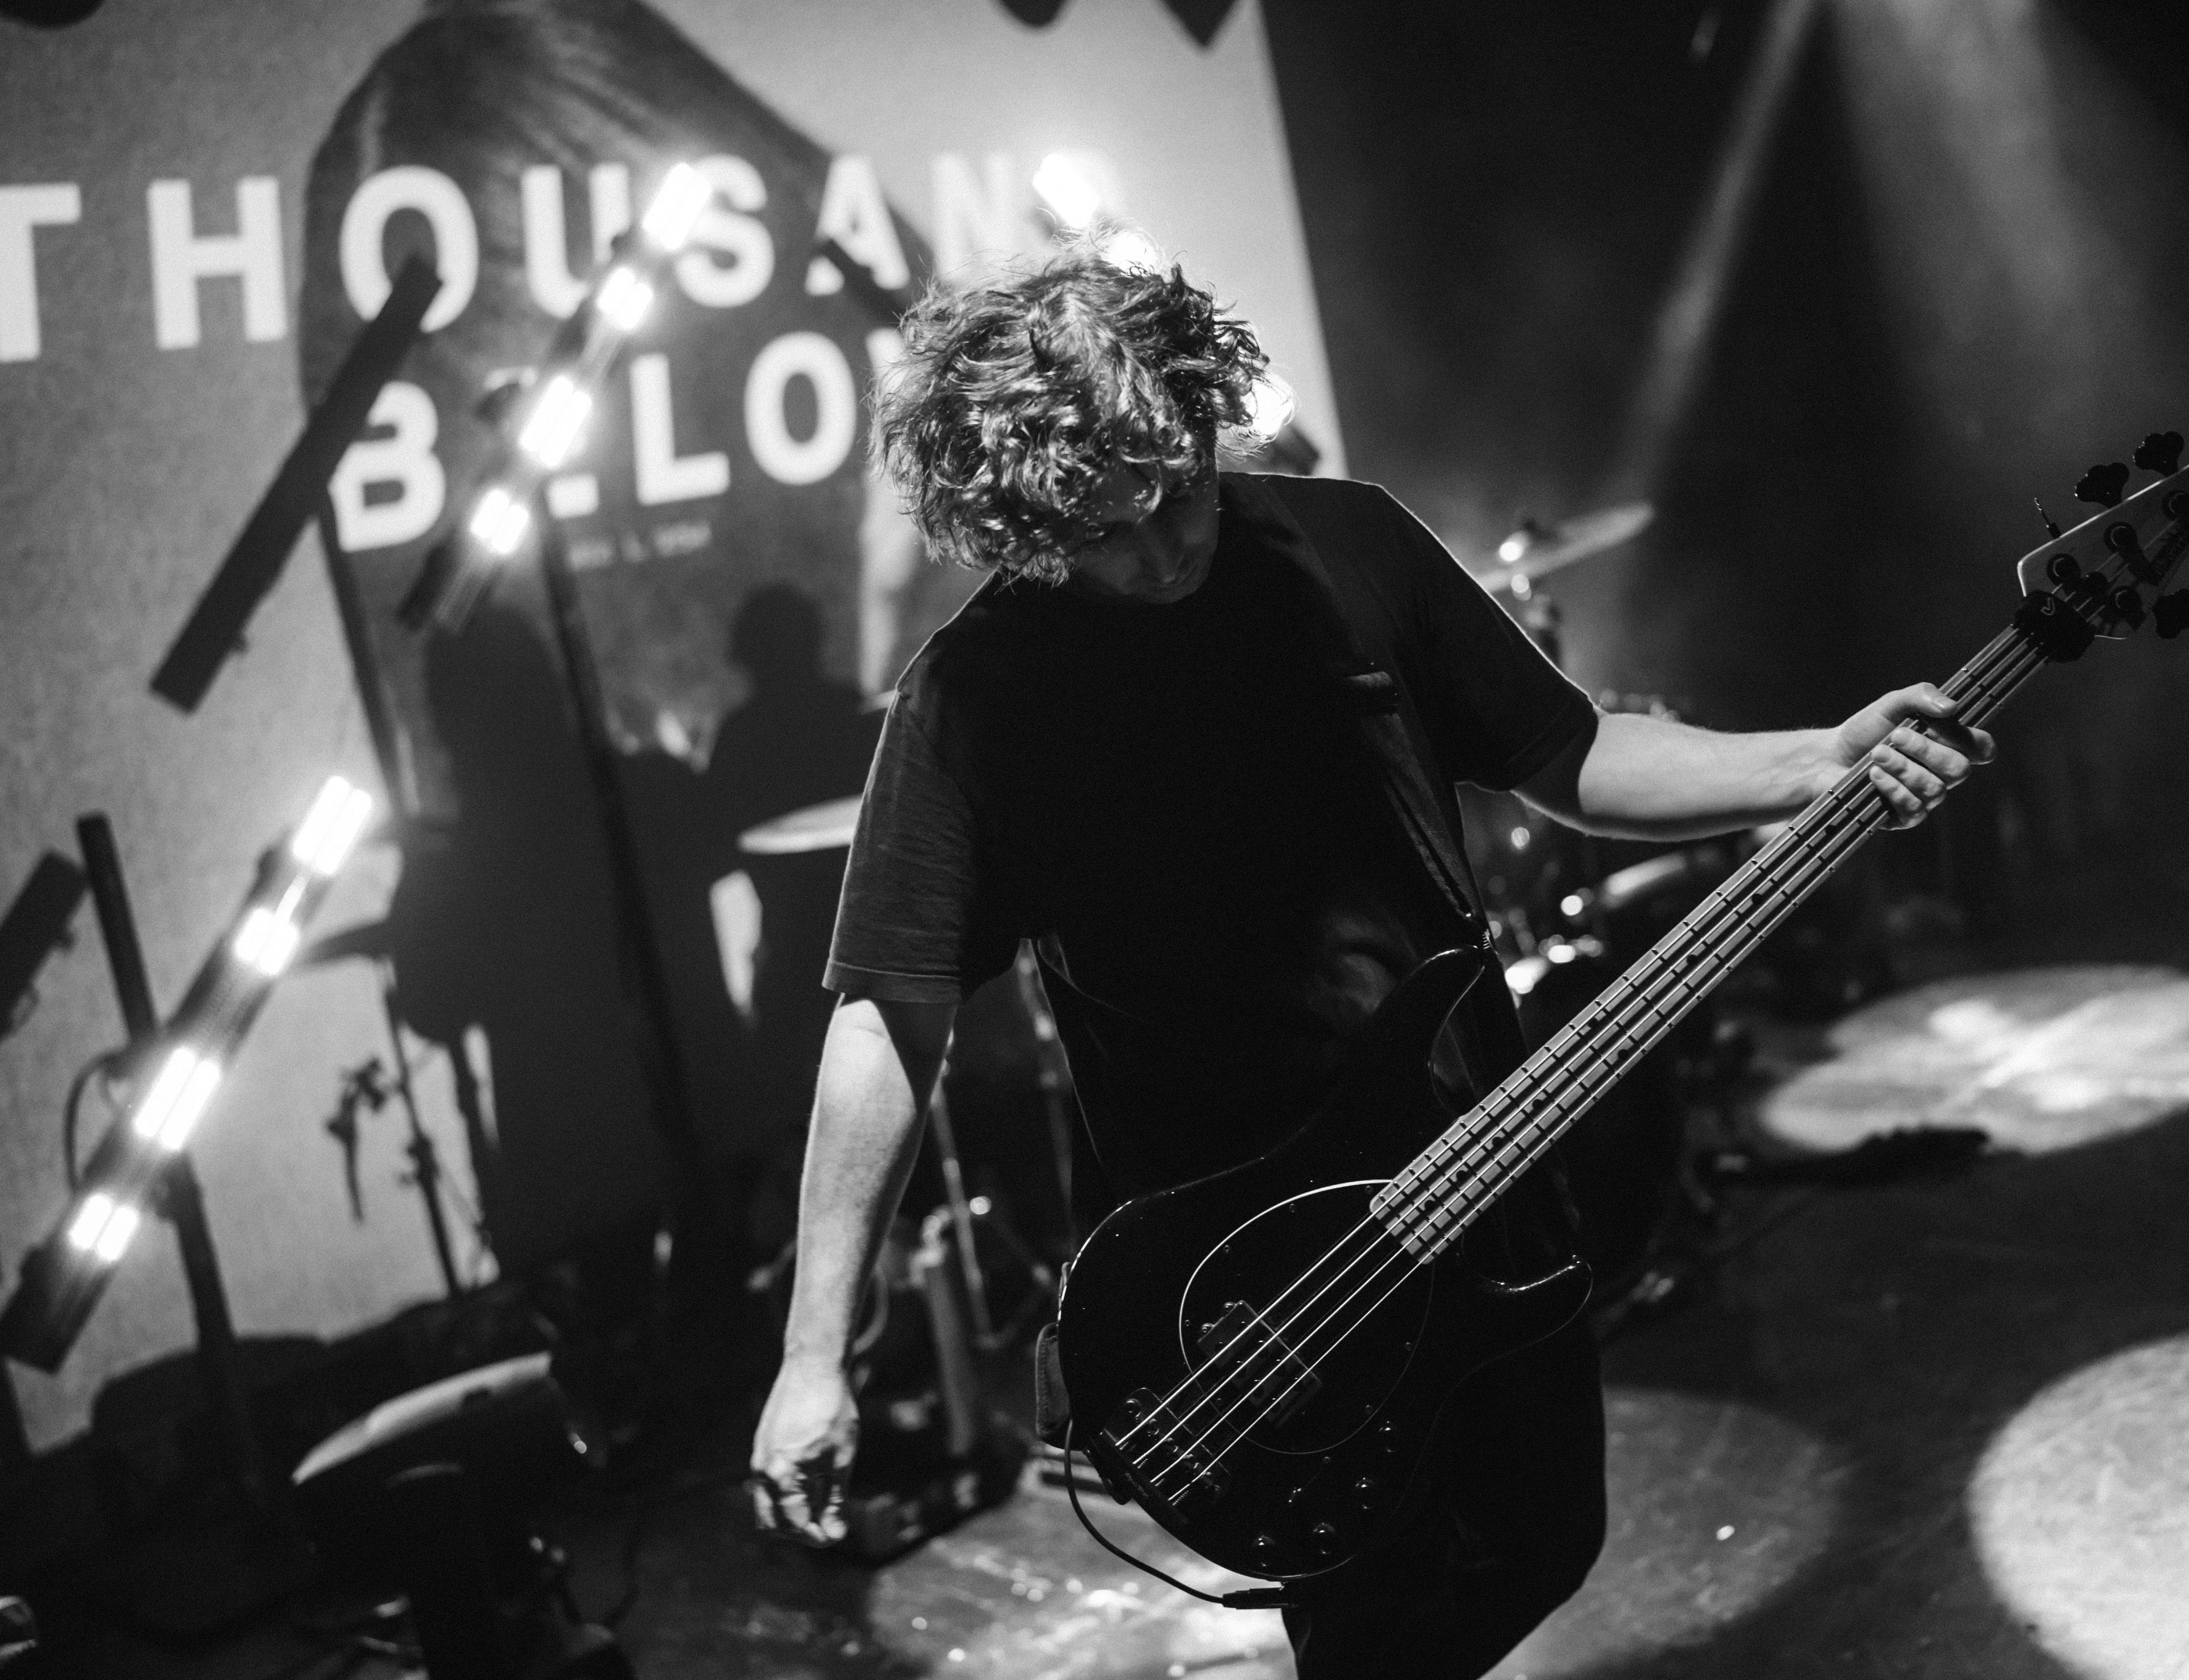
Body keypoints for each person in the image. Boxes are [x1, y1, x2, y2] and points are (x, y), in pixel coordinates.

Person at [749, 245, 1990, 1677]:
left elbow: (1569, 753)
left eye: (1180, 485)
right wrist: (812, 1355)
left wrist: (1811, 761)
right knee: (1381, 1612)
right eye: (1108, 529)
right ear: (1020, 520)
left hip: (1478, 1165)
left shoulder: (1350, 545)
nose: (1164, 544)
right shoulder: (977, 694)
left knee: (1545, 1535)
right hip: (1252, 1273)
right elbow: (887, 1016)